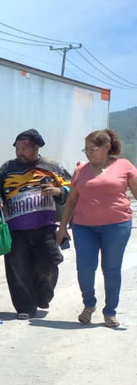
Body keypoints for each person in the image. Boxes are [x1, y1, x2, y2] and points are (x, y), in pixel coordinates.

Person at [56, 129, 137, 328]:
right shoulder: (80, 170)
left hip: (117, 226)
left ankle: (110, 312)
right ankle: (89, 305)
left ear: (107, 147)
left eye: (92, 148)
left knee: (111, 269)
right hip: (84, 227)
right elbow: (72, 200)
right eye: (85, 149)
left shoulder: (124, 166)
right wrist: (62, 227)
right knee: (84, 268)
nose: (88, 153)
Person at [0, 129, 70, 320]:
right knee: (18, 270)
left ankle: (43, 296)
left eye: (24, 148)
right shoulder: (7, 168)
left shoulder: (52, 167)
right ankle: (25, 306)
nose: (19, 152)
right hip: (16, 230)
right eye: (17, 148)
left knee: (49, 265)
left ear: (36, 147)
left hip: (45, 228)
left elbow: (72, 186)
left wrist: (58, 191)